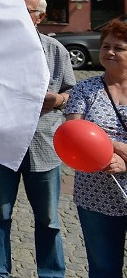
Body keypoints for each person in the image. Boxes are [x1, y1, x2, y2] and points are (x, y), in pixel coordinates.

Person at [0, 0, 75, 278]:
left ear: (40, 16)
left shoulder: (55, 50)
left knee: (48, 219)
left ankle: (51, 273)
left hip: (43, 148)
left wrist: (58, 100)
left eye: (25, 11)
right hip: (1, 145)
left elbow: (73, 93)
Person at [64, 18, 127, 278]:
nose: (109, 52)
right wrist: (112, 147)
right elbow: (72, 136)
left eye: (119, 48)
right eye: (105, 46)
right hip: (96, 194)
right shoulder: (85, 89)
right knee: (103, 268)